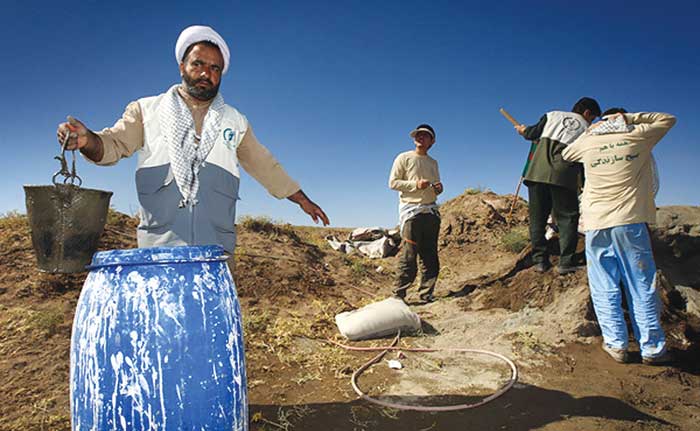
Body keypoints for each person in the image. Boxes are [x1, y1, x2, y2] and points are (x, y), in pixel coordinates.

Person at [56, 25, 329, 254]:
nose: (205, 73)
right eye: (198, 64)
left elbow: (265, 166)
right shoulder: (146, 110)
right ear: (182, 67)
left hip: (216, 252)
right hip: (159, 250)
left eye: (215, 68)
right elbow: (113, 144)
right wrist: (87, 140)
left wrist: (302, 200)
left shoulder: (235, 122)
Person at [562, 109, 676, 365]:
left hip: (596, 223)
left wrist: (592, 130)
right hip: (630, 222)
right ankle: (653, 349)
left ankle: (616, 346)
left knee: (604, 285)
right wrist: (632, 118)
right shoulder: (639, 136)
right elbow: (668, 119)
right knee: (641, 285)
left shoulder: (590, 142)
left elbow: (567, 153)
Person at [514, 97, 601, 274]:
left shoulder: (552, 115)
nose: (591, 121)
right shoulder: (588, 129)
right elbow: (586, 159)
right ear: (586, 113)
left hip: (537, 174)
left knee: (538, 219)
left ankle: (539, 261)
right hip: (564, 177)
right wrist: (584, 184)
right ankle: (566, 262)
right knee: (568, 218)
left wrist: (523, 130)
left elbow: (532, 134)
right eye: (592, 117)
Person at [389, 124, 443, 303]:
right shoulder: (403, 157)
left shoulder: (433, 162)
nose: (420, 138)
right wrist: (415, 185)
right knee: (409, 254)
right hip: (411, 212)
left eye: (425, 136)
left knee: (430, 255)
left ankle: (427, 293)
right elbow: (393, 183)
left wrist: (439, 189)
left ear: (432, 141)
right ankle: (399, 294)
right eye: (418, 135)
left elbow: (435, 188)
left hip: (431, 211)